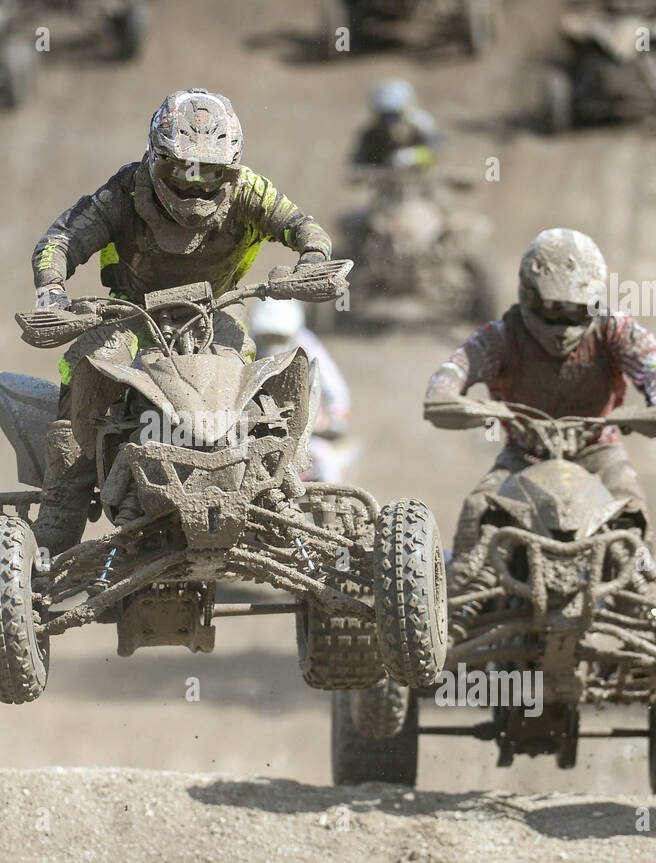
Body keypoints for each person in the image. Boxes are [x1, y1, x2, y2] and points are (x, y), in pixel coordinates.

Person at [28, 87, 336, 555]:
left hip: (219, 307)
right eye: (182, 170)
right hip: (131, 310)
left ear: (231, 168)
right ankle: (62, 502)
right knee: (88, 363)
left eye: (211, 173)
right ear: (155, 159)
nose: (195, 185)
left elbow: (304, 227)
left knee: (264, 381)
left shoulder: (250, 190)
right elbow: (61, 239)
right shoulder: (122, 192)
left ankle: (279, 482)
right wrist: (53, 291)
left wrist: (312, 260)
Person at [423, 227, 656, 587]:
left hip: (599, 451)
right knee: (479, 511)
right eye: (553, 309)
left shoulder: (615, 330)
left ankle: (646, 600)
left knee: (630, 510)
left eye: (577, 311)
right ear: (528, 296)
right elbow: (452, 373)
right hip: (524, 456)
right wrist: (452, 398)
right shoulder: (500, 337)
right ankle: (460, 602)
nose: (563, 324)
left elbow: (655, 367)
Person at [249, 298, 352, 483]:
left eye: (279, 338)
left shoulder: (306, 343)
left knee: (326, 464)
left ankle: (331, 509)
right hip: (253, 433)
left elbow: (334, 386)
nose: (273, 344)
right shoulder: (246, 344)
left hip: (303, 431)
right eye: (268, 338)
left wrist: (336, 416)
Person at [351, 78, 444, 171]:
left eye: (394, 115)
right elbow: (357, 161)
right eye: (384, 116)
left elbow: (438, 150)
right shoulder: (371, 132)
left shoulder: (422, 123)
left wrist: (412, 156)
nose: (389, 121)